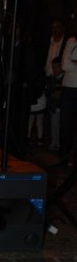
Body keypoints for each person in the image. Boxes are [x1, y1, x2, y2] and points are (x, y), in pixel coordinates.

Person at [60, 28, 77, 165]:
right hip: (69, 88)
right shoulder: (72, 41)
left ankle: (73, 157)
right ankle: (65, 156)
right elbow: (64, 65)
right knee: (66, 124)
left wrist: (74, 63)